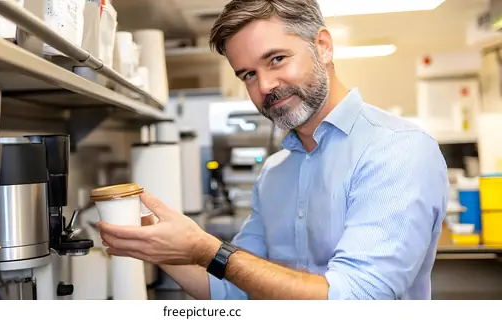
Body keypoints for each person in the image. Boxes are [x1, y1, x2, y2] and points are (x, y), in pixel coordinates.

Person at [97, 0, 449, 300]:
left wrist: (206, 248)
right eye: (248, 74)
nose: (265, 85)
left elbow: (357, 298)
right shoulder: (276, 173)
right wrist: (159, 244)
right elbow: (232, 288)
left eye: (277, 59)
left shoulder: (397, 150)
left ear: (323, 46)